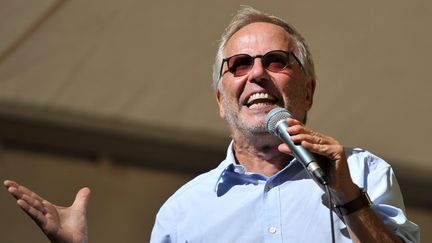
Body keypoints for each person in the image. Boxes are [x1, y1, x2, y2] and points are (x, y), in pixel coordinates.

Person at [4, 6, 419, 243]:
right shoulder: (184, 212)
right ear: (221, 100)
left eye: (276, 61)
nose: (257, 74)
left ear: (308, 91)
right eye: (239, 64)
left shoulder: (363, 172)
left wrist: (346, 195)